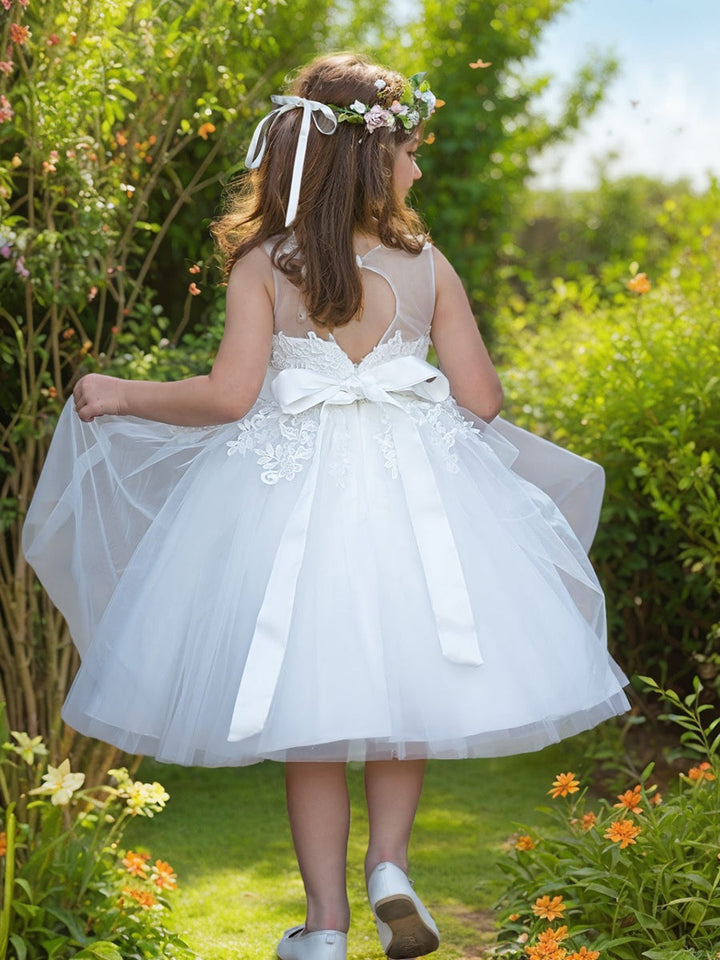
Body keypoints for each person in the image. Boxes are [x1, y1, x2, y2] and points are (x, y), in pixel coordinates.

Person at [23, 52, 630, 960]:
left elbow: (229, 398)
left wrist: (121, 391)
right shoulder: (426, 266)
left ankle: (326, 928)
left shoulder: (267, 263)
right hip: (414, 494)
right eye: (412, 151)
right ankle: (390, 866)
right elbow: (485, 400)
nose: (419, 168)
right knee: (408, 686)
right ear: (373, 159)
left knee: (306, 724)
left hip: (288, 500)